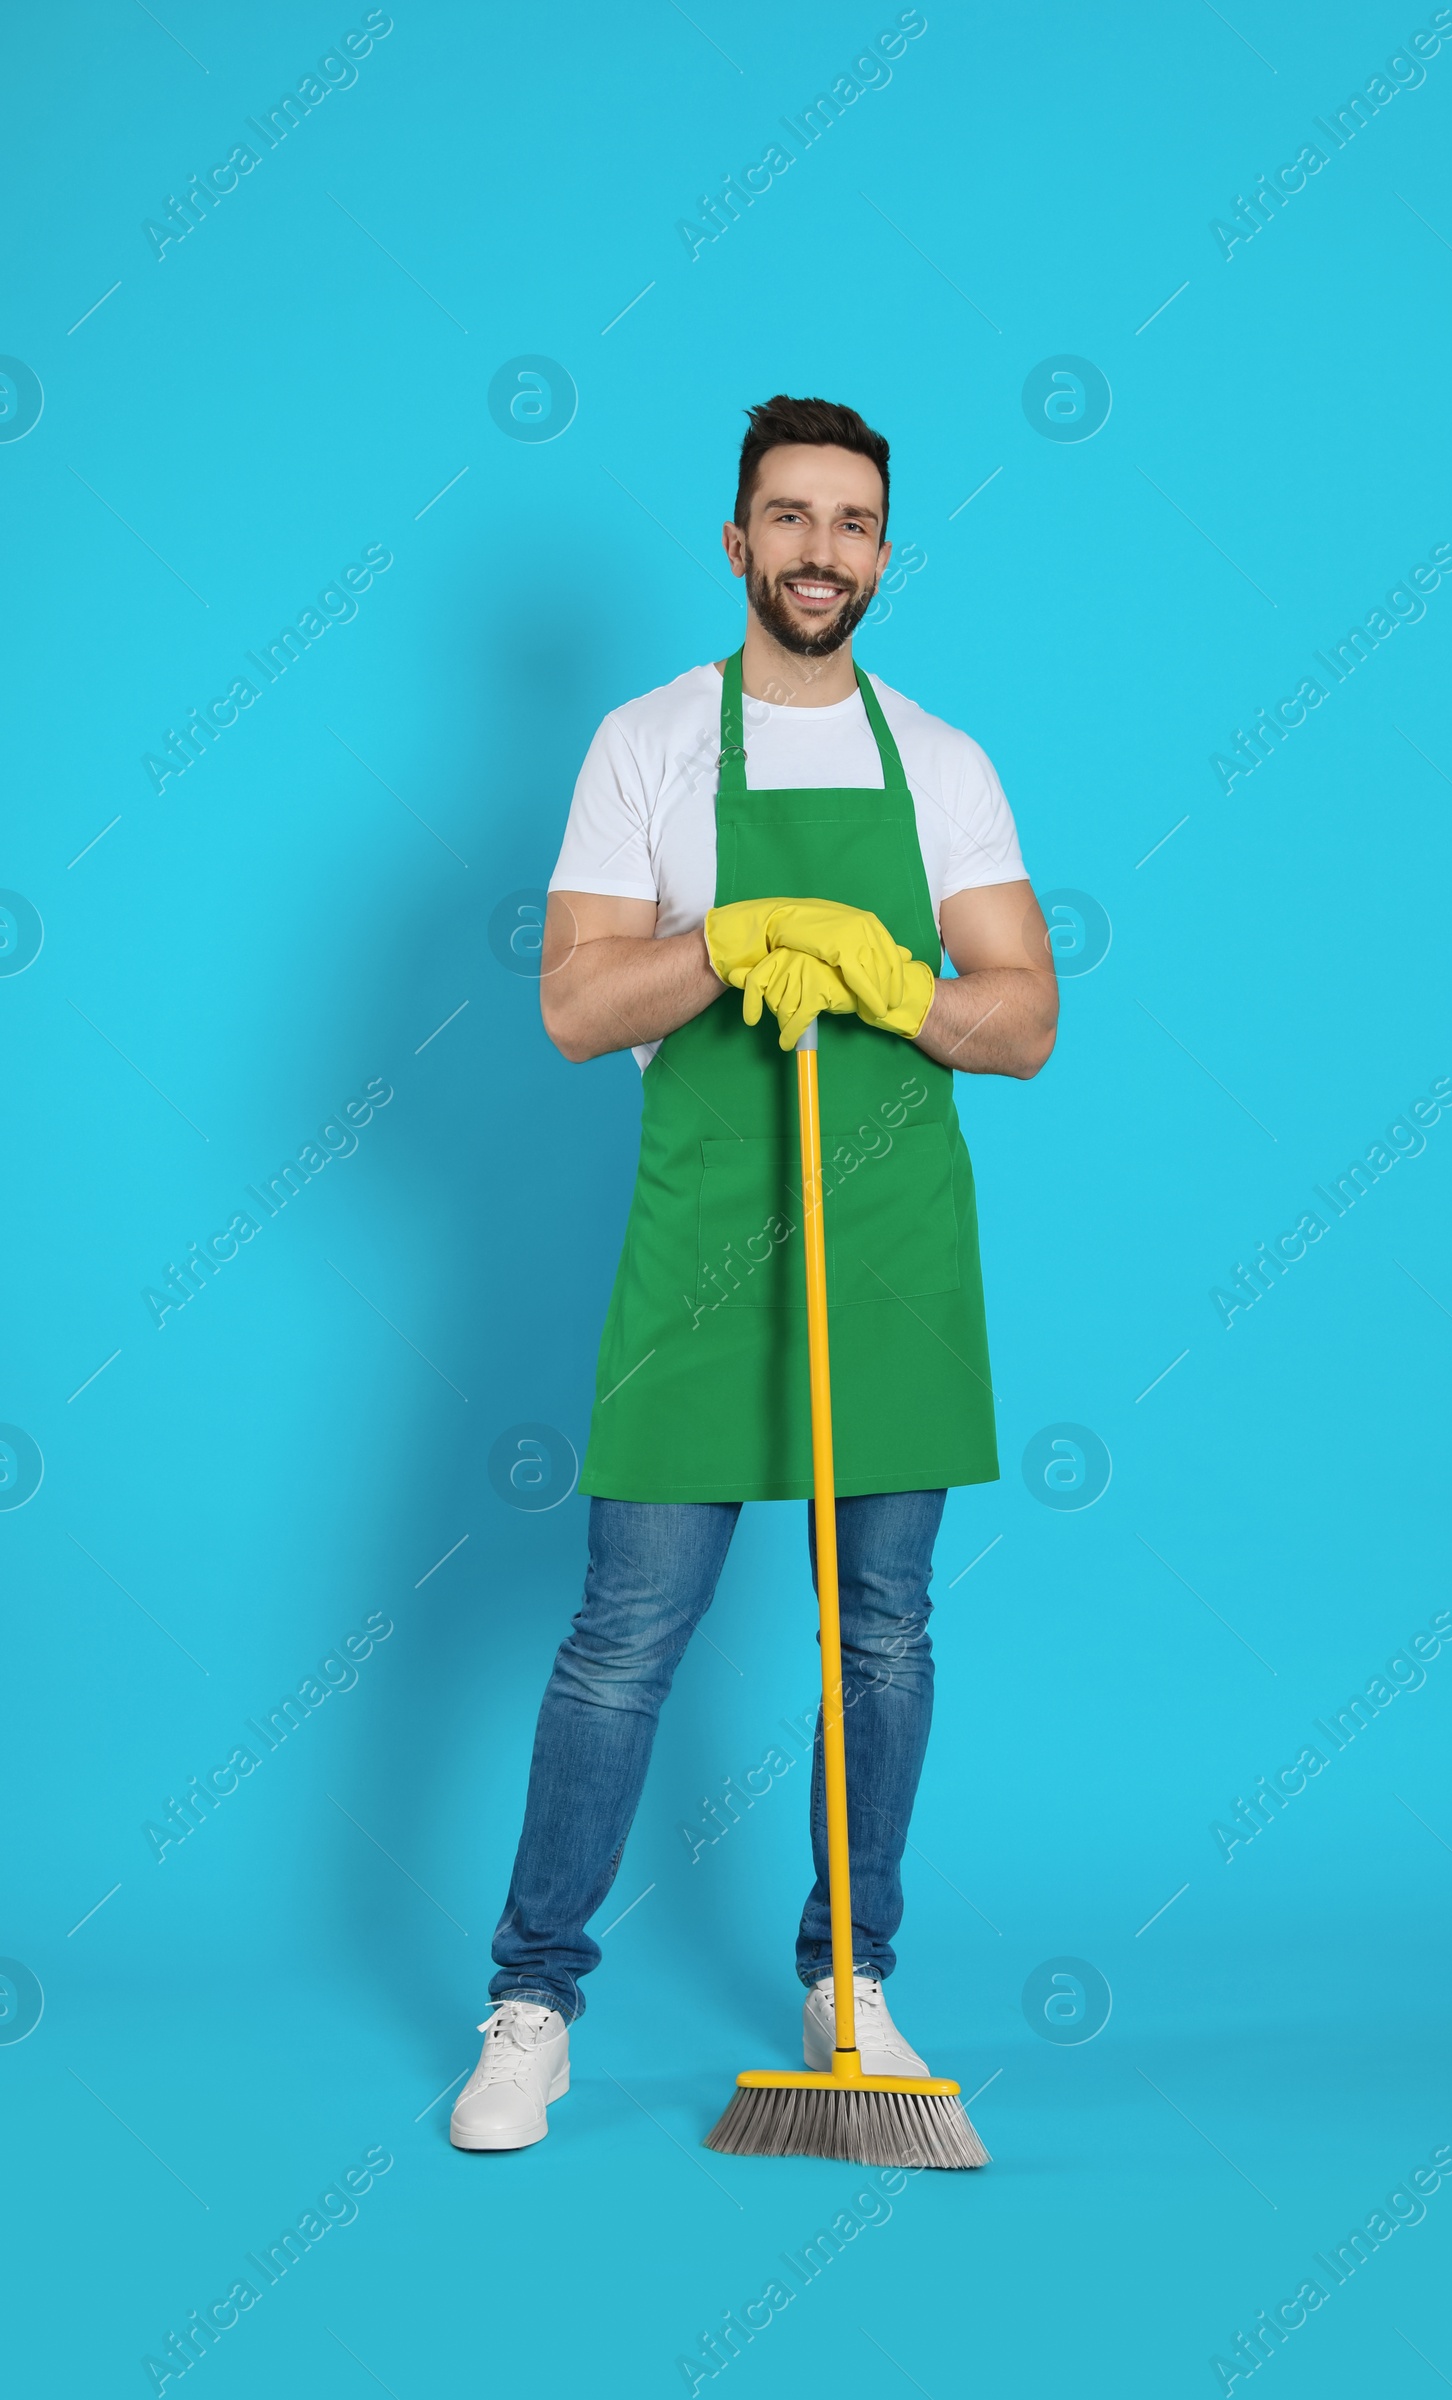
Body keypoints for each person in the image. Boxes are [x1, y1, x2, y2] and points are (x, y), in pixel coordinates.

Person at [451, 394, 1057, 2150]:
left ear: (886, 552)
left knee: (881, 1632)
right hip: (710, 1241)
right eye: (786, 518)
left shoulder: (941, 761)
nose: (819, 550)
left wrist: (895, 986)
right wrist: (724, 941)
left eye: (851, 522)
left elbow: (1021, 1020)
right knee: (625, 1639)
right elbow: (573, 1006)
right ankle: (532, 2001)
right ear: (737, 543)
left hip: (889, 1248)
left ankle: (847, 1975)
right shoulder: (645, 744)